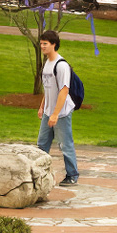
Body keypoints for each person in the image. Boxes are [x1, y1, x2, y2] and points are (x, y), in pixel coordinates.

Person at [36, 31, 78, 187]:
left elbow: (64, 90)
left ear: (54, 44)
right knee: (41, 145)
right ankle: (39, 172)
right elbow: (48, 89)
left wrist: (55, 114)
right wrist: (42, 107)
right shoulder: (47, 63)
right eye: (41, 43)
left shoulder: (61, 66)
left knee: (65, 144)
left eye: (45, 44)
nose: (42, 46)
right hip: (49, 112)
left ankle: (72, 174)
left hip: (61, 112)